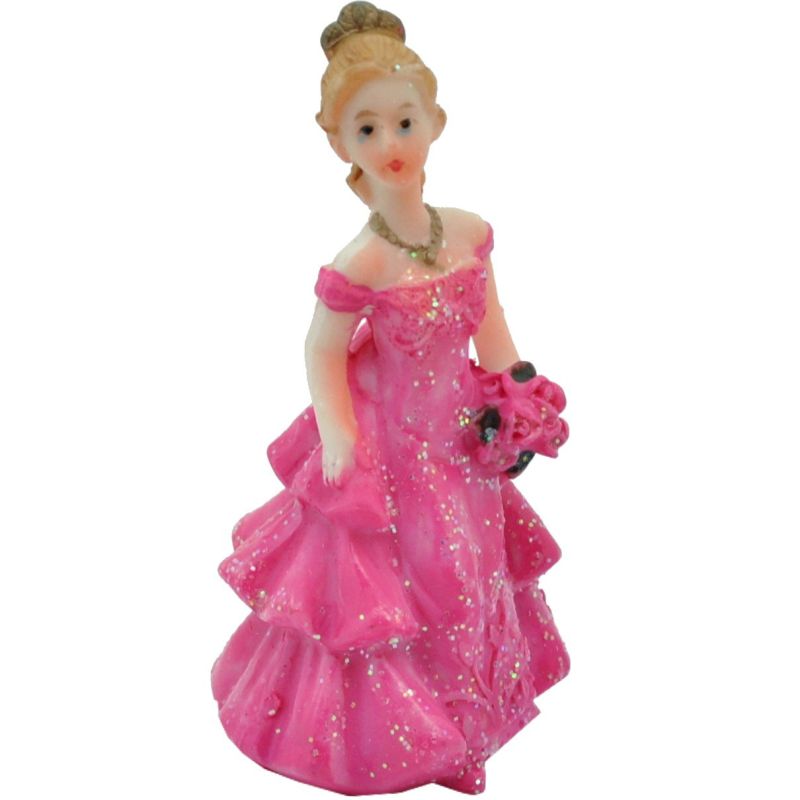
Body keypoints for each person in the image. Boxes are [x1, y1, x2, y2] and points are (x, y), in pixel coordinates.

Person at [211, 3, 570, 795]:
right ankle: (422, 735)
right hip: (397, 448)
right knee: (416, 578)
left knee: (476, 565)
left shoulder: (469, 234)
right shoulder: (362, 261)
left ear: (434, 122)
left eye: (404, 121)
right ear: (340, 144)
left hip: (464, 441)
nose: (390, 144)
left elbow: (493, 330)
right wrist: (339, 434)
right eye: (367, 129)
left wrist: (520, 397)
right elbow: (321, 348)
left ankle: (474, 720)